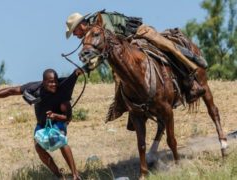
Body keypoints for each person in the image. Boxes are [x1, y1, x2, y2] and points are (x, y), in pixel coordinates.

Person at [66, 10, 207, 129]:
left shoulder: (100, 21)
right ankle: (130, 106)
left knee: (167, 47)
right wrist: (87, 65)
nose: (74, 34)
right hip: (127, 46)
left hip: (139, 34)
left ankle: (191, 69)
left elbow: (111, 43)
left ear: (81, 25)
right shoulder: (90, 35)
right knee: (120, 74)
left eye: (74, 30)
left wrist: (88, 66)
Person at [0, 69, 83, 180]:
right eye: (50, 82)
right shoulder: (34, 88)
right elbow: (11, 91)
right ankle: (59, 176)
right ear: (43, 82)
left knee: (60, 140)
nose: (54, 84)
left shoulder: (62, 92)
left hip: (58, 121)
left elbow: (68, 118)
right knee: (39, 147)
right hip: (42, 123)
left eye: (55, 81)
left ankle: (75, 175)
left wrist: (55, 116)